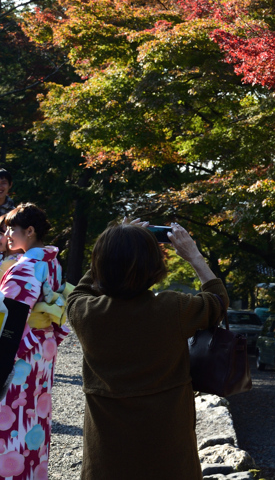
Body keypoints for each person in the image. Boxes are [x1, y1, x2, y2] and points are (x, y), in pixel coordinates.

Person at [67, 221, 227, 480]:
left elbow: (78, 293)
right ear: (154, 267)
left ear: (99, 265)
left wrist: (113, 247)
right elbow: (218, 300)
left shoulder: (85, 314)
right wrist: (193, 255)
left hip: (107, 460)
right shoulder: (172, 309)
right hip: (168, 456)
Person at [0, 203, 70, 480]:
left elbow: (9, 321)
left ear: (29, 231)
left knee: (10, 417)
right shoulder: (51, 263)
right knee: (34, 416)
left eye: (11, 229)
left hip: (19, 353)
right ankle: (31, 472)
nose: (6, 234)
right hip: (42, 349)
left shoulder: (25, 267)